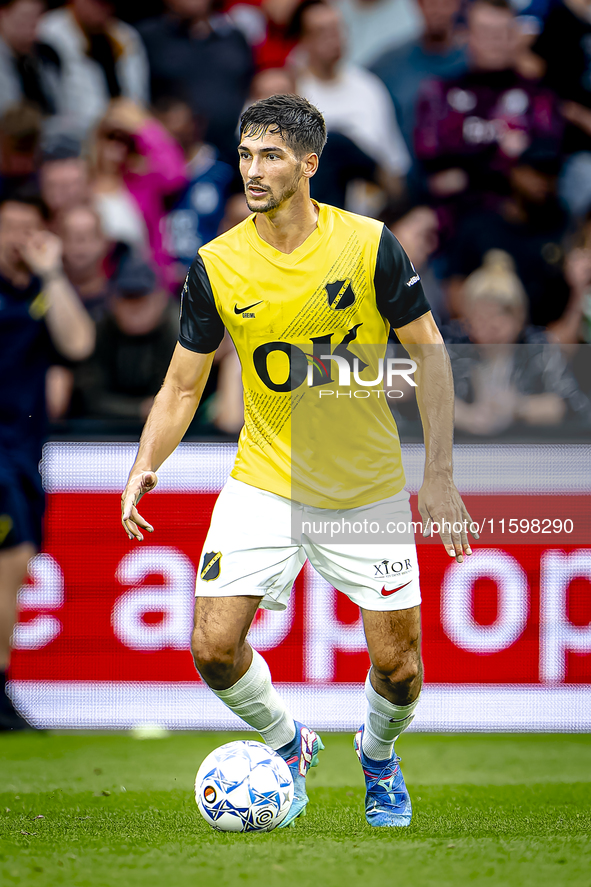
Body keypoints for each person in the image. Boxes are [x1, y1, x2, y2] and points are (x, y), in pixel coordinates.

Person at [120, 94, 476, 828]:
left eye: (271, 155)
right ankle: (289, 742)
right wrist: (143, 461)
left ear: (308, 164)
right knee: (213, 648)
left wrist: (438, 473)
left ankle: (377, 758)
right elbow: (184, 382)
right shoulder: (217, 264)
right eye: (246, 154)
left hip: (366, 489)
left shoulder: (369, 245)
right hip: (264, 481)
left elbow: (431, 356)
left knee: (400, 667)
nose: (253, 169)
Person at [0, 186, 95, 730]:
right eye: (8, 226)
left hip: (23, 451)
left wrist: (53, 274)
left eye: (27, 228)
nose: (18, 240)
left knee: (18, 561)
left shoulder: (42, 290)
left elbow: (78, 344)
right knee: (10, 558)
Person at [414, 0, 563, 214]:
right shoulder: (439, 93)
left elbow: (547, 159)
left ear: (516, 38)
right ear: (465, 36)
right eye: (486, 33)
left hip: (522, 218)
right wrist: (509, 161)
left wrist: (466, 171)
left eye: (503, 33)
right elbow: (432, 167)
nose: (495, 42)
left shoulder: (539, 95)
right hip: (456, 221)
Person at [443, 250, 588, 435]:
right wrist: (465, 416)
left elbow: (572, 404)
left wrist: (519, 407)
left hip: (529, 451)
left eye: (499, 315)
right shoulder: (454, 350)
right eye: (480, 316)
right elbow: (425, 399)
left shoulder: (539, 348)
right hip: (467, 453)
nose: (490, 326)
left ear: (519, 317)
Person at [295, 1, 411, 186]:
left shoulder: (368, 87)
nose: (333, 38)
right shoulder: (292, 92)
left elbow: (395, 165)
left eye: (337, 29)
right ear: (304, 40)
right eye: (322, 32)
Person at [89, 98, 187, 290]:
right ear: (97, 138)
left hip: (145, 284)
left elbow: (175, 175)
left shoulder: (140, 182)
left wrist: (144, 127)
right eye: (110, 137)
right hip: (98, 286)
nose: (117, 147)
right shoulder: (83, 184)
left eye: (126, 141)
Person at [137, 0, 254, 161]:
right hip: (172, 157)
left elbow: (249, 87)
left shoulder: (234, 38)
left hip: (232, 153)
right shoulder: (147, 38)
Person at [74, 255, 179, 423]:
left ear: (160, 299)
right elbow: (91, 397)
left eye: (141, 297)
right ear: (112, 301)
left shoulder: (179, 332)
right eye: (127, 297)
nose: (135, 308)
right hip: (105, 430)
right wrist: (139, 409)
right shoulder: (100, 330)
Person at [38, 0, 149, 138]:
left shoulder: (124, 35)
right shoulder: (48, 35)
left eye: (107, 3)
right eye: (96, 2)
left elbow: (138, 99)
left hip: (122, 132)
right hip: (70, 137)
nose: (102, 8)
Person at [370, 0, 467, 157]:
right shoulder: (390, 64)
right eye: (431, 3)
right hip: (406, 174)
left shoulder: (473, 61)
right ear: (419, 5)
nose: (438, 10)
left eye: (444, 3)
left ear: (456, 5)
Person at [155, 98, 233, 284]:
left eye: (181, 124)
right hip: (163, 277)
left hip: (210, 275)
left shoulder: (222, 173)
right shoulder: (151, 174)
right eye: (169, 127)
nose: (176, 134)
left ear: (196, 125)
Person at [0, 0, 61, 118]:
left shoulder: (43, 56)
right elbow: (10, 121)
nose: (33, 29)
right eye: (25, 18)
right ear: (2, 14)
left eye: (37, 19)